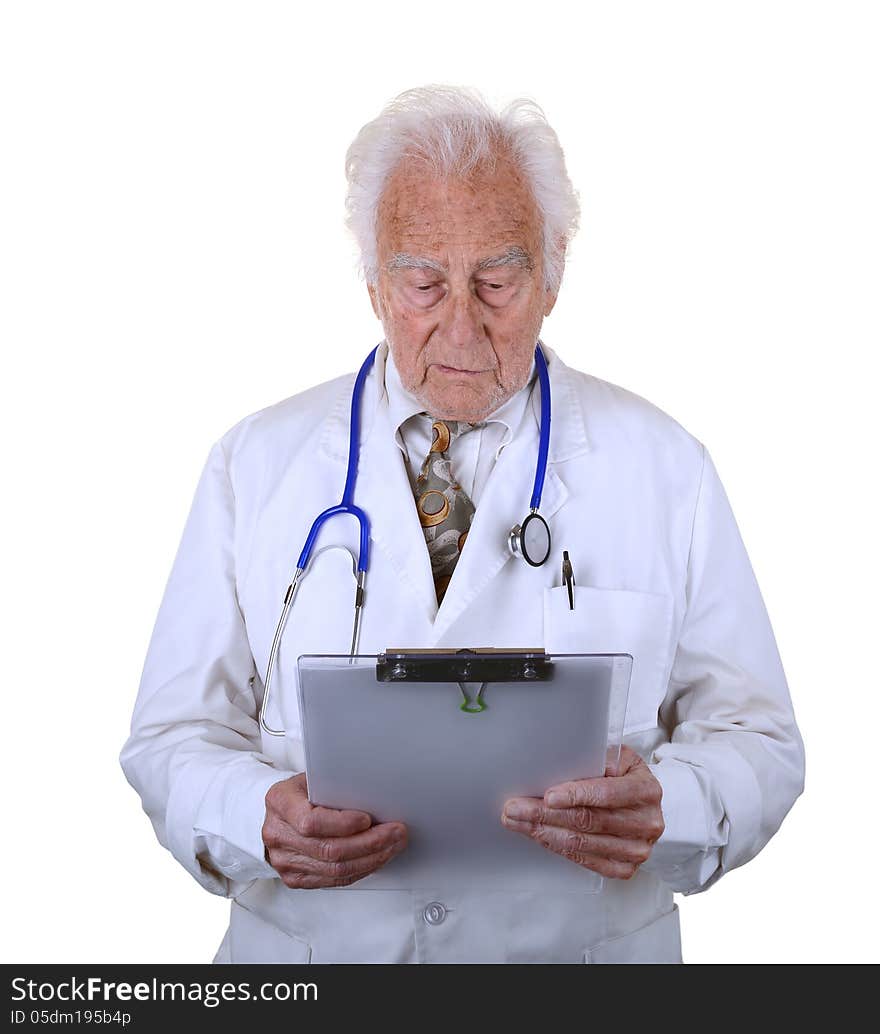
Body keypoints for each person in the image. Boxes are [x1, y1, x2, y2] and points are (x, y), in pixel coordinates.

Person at [120, 85, 804, 964]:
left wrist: (671, 805)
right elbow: (170, 736)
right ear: (371, 280)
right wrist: (249, 815)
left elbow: (761, 741)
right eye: (421, 283)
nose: (459, 325)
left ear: (553, 272)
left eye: (495, 280)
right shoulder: (252, 465)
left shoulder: (667, 468)